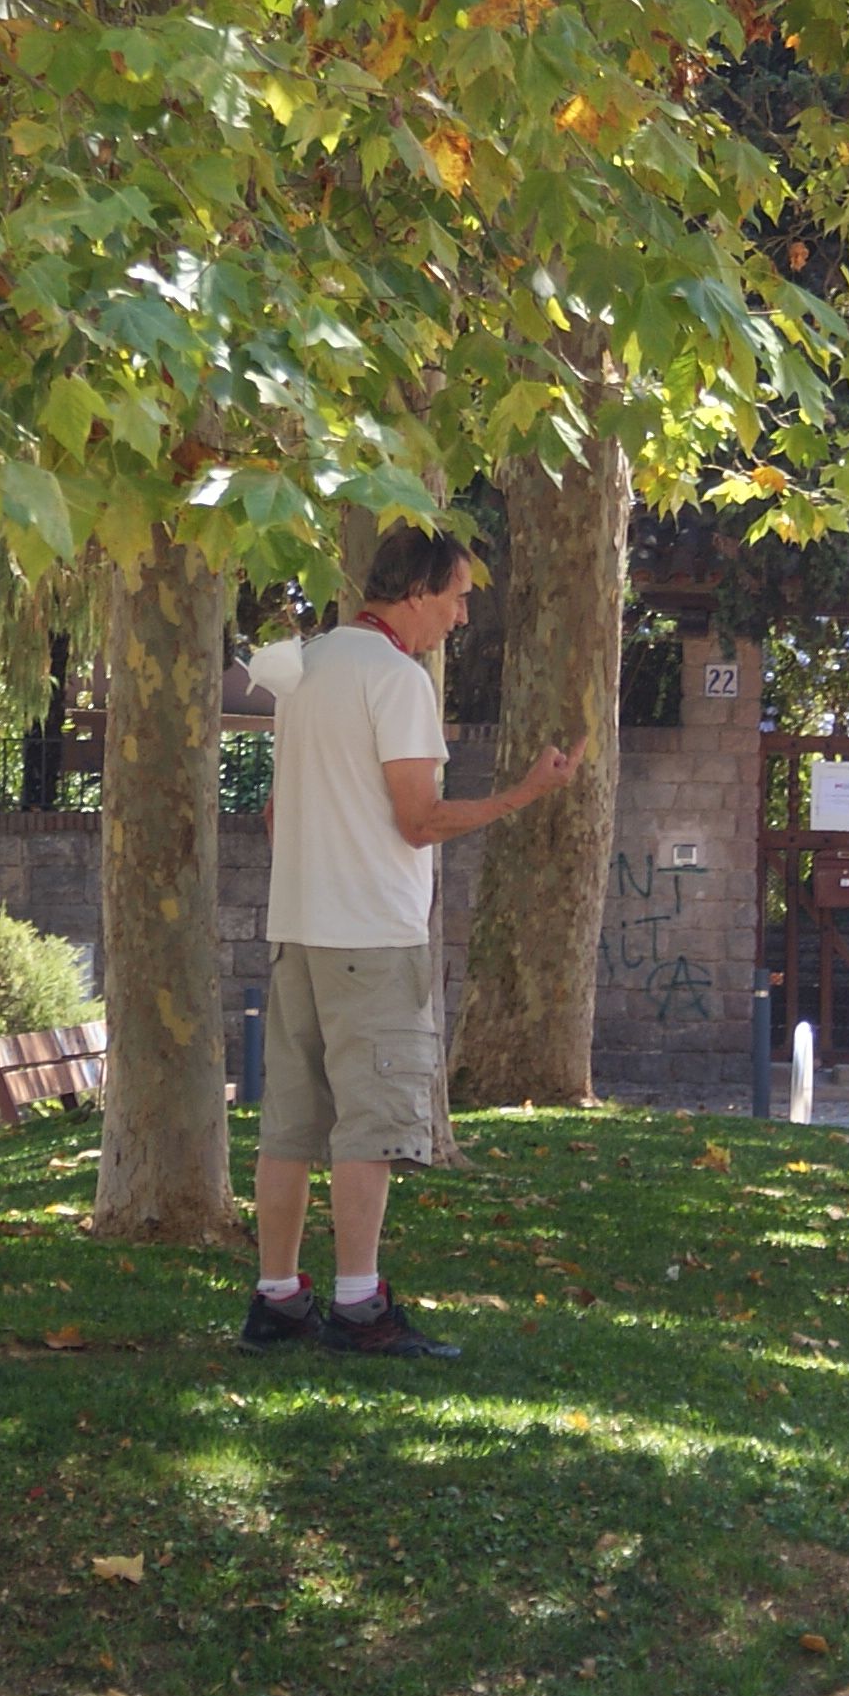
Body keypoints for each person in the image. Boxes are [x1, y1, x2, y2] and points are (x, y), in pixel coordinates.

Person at [233, 524, 579, 1358]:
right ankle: (358, 1306)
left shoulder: (303, 667)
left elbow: (277, 814)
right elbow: (418, 820)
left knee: (288, 1127)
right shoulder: (397, 678)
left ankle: (276, 1299)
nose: (461, 617)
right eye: (458, 597)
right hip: (371, 938)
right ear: (418, 591)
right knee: (373, 1125)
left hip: (297, 933)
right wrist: (525, 794)